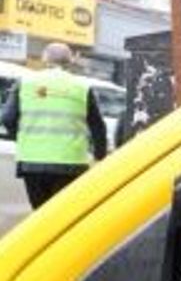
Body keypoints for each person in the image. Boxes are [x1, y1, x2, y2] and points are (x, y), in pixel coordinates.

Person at [0, 42, 108, 208]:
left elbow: (7, 118)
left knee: (41, 213)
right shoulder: (82, 87)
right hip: (71, 163)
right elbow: (97, 126)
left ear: (45, 58)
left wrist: (21, 138)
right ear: (70, 60)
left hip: (32, 162)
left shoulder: (26, 83)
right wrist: (100, 156)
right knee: (64, 213)